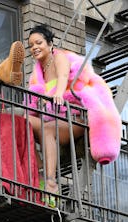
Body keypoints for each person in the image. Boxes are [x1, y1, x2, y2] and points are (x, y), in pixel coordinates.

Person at [26, 24, 121, 207]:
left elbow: (62, 78)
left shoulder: (59, 57)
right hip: (52, 119)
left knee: (47, 130)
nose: (34, 47)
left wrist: (59, 94)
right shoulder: (37, 73)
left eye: (39, 42)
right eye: (31, 45)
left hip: (75, 117)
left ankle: (51, 185)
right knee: (20, 123)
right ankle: (39, 171)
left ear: (50, 44)